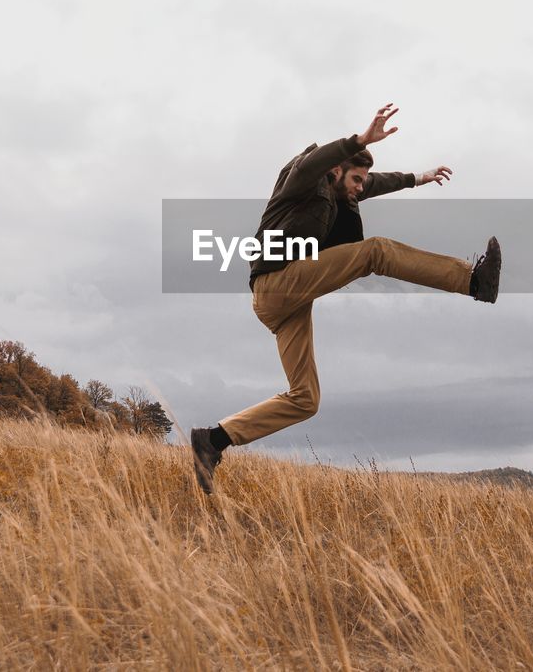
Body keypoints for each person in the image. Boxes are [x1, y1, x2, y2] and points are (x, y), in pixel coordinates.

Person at [190, 104, 501, 494]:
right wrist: (358, 140)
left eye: (362, 181)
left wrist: (418, 178)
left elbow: (378, 183)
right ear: (336, 171)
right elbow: (317, 161)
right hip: (276, 284)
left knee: (305, 399)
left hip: (288, 305)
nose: (359, 187)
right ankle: (472, 281)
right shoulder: (303, 178)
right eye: (355, 179)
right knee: (377, 251)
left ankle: (212, 441)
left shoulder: (345, 189)